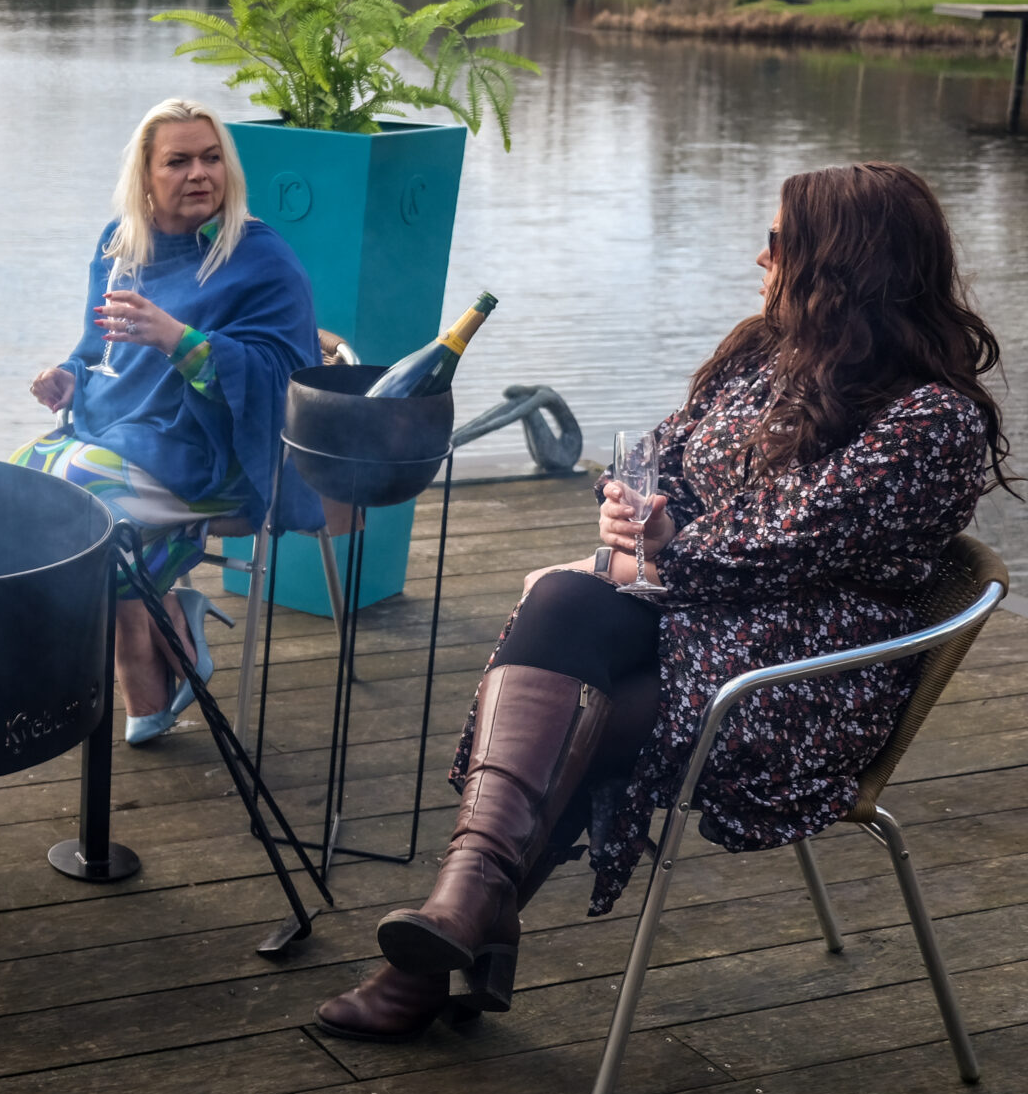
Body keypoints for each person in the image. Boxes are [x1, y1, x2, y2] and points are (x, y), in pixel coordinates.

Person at [318, 161, 1012, 1041]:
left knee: (575, 689)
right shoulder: (766, 350)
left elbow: (789, 544)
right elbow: (662, 453)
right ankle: (467, 908)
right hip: (695, 620)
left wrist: (652, 551)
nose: (760, 260)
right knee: (569, 619)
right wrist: (632, 505)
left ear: (844, 264)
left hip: (800, 680)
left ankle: (457, 925)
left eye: (777, 244)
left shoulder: (930, 420)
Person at [17, 98, 322, 744]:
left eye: (211, 159)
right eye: (178, 161)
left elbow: (282, 385)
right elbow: (97, 348)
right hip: (114, 434)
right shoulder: (119, 244)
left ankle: (137, 658)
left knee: (86, 497)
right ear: (146, 176)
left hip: (213, 454)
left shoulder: (260, 259)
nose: (198, 174)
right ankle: (164, 628)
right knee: (21, 483)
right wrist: (67, 375)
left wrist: (179, 340)